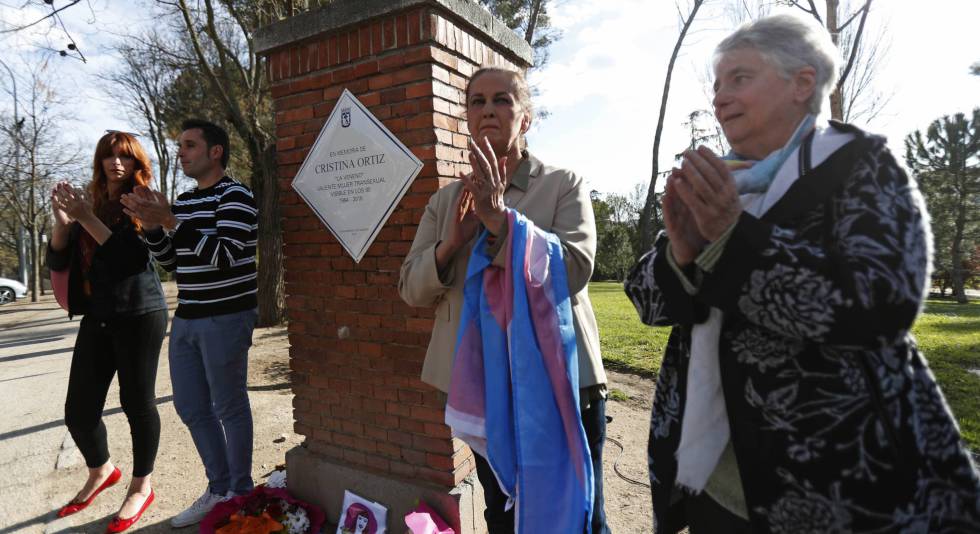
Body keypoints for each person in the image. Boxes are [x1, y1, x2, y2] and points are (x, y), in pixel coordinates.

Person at [624, 14, 980, 533]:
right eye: (717, 83)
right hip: (714, 486)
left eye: (739, 78)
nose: (720, 96)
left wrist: (731, 237)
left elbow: (882, 306)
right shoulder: (722, 178)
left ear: (802, 83)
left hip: (834, 488)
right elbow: (648, 304)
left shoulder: (862, 164)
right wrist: (680, 254)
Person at [399, 67, 610, 534]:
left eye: (502, 100)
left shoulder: (562, 184)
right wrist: (450, 244)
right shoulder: (446, 202)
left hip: (561, 384)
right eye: (477, 101)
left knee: (580, 515)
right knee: (503, 510)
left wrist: (501, 222)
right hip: (483, 386)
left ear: (526, 118)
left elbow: (574, 268)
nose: (488, 109)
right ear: (468, 118)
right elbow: (412, 289)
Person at [120, 119, 259, 528]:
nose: (181, 152)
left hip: (227, 316)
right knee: (191, 406)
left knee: (229, 403)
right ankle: (219, 489)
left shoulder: (236, 196)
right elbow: (171, 263)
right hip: (188, 319)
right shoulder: (181, 200)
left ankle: (241, 492)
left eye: (190, 145)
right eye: (180, 145)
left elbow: (227, 256)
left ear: (215, 152)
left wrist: (172, 221)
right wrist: (151, 227)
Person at [48, 131, 168, 533]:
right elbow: (62, 258)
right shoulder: (91, 202)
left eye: (126, 157)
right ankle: (102, 471)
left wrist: (85, 217)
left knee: (137, 403)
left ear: (137, 164)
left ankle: (141, 486)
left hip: (139, 312)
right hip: (97, 315)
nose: (117, 162)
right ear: (99, 161)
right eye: (109, 156)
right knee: (78, 412)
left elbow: (131, 258)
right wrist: (63, 223)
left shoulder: (141, 199)